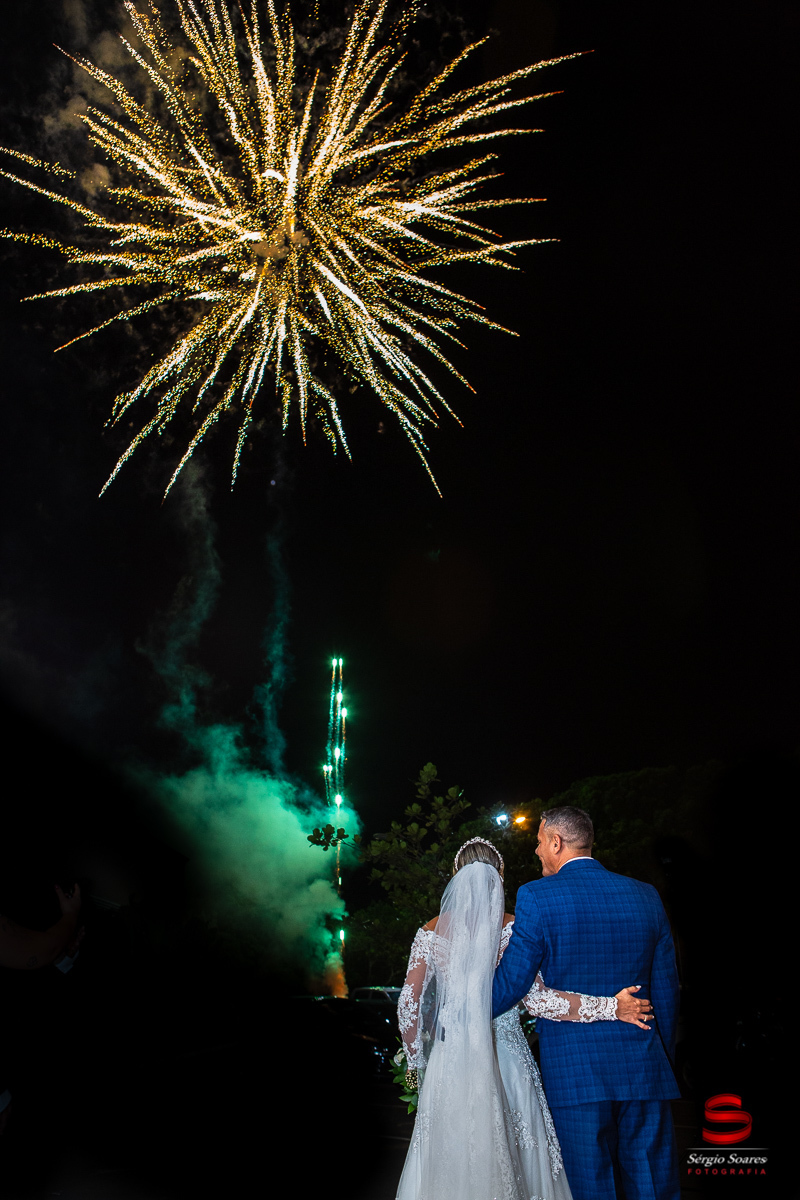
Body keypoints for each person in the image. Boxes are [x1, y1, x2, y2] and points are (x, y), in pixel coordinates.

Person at [396, 838, 653, 1200]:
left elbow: (409, 1005)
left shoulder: (430, 930)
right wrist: (612, 1006)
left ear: (456, 876)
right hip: (506, 1058)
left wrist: (416, 1065)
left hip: (448, 1060)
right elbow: (539, 1001)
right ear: (500, 876)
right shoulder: (512, 928)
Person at [492, 808, 681, 1200]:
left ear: (556, 842)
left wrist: (459, 1009)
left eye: (540, 842)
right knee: (652, 1185)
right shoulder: (646, 895)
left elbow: (510, 984)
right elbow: (667, 989)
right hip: (644, 1066)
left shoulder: (537, 896)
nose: (537, 850)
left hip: (575, 1073)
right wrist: (662, 1058)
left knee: (589, 1186)